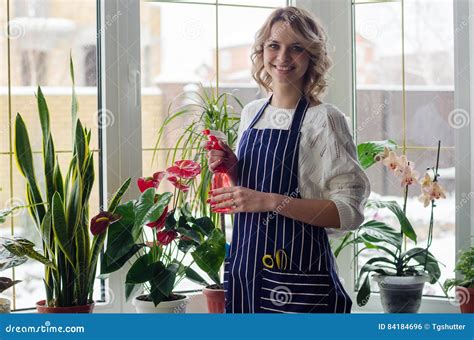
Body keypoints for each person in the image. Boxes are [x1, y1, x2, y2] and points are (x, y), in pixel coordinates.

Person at [207, 6, 370, 313]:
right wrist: (233, 168)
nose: (282, 57)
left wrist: (269, 202)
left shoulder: (324, 120)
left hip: (300, 282)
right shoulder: (251, 114)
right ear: (262, 52)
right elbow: (255, 188)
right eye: (274, 46)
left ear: (311, 57)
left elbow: (348, 212)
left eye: (296, 48)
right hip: (246, 270)